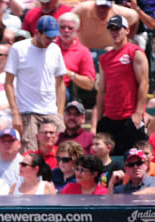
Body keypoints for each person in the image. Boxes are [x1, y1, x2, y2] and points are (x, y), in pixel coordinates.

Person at [5, 15, 66, 152]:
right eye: (48, 37)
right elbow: (8, 82)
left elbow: (60, 82)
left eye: (53, 37)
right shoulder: (18, 48)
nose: (51, 40)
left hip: (51, 110)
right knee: (30, 154)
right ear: (37, 33)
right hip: (28, 111)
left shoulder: (55, 49)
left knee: (61, 152)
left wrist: (60, 113)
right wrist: (15, 113)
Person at [94, 15, 148, 157]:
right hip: (110, 118)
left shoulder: (134, 53)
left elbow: (144, 83)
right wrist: (99, 119)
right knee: (110, 161)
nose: (114, 32)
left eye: (118, 28)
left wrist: (138, 114)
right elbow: (102, 90)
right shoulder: (105, 58)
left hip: (129, 117)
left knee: (134, 159)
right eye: (111, 29)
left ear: (127, 30)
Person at [55, 13, 96, 98]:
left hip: (63, 89)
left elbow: (90, 84)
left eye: (70, 28)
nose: (66, 30)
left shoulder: (83, 51)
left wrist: (69, 74)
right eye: (62, 27)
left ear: (77, 30)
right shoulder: (50, 45)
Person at [72, 0, 139, 50]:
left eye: (106, 7)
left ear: (111, 7)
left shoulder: (119, 11)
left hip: (108, 49)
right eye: (100, 6)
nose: (102, 9)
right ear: (95, 4)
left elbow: (135, 18)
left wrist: (128, 39)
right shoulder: (83, 8)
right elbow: (68, 19)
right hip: (84, 48)